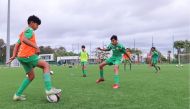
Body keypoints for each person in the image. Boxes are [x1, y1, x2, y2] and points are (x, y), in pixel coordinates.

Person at [6, 15, 61, 101]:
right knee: (46, 65)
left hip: (21, 57)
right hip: (27, 55)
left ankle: (17, 95)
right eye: (37, 24)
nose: (38, 26)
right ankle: (49, 89)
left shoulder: (23, 32)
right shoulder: (30, 30)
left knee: (31, 76)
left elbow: (17, 44)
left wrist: (14, 55)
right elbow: (24, 40)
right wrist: (36, 47)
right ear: (31, 23)